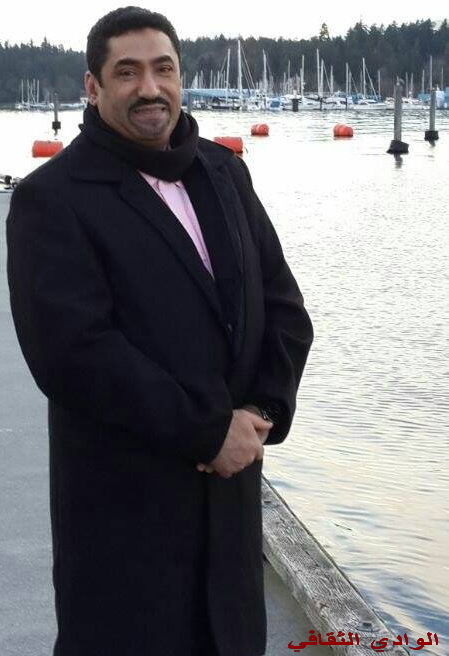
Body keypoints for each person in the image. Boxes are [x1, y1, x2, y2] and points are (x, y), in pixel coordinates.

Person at [6, 7, 313, 656]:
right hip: (125, 518)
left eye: (162, 69)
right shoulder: (52, 198)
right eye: (127, 72)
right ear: (93, 86)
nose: (149, 88)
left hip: (230, 513)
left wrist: (262, 411)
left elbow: (282, 307)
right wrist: (208, 431)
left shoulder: (224, 171)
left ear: (180, 76)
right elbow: (73, 354)